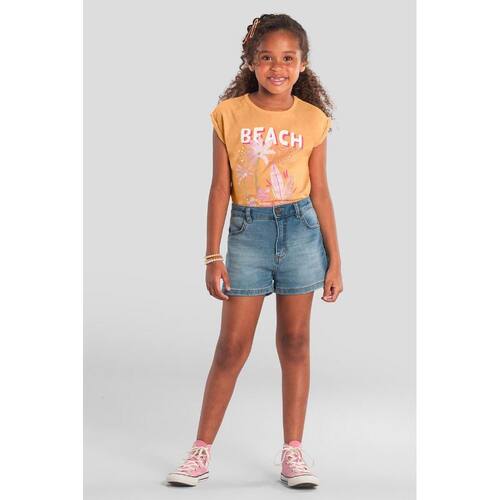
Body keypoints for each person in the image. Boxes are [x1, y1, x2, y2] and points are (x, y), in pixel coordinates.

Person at [167, 13, 343, 489]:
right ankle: (200, 452)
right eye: (266, 57)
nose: (277, 67)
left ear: (303, 64)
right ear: (250, 61)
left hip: (301, 233)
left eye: (288, 58)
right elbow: (219, 188)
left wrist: (335, 260)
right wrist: (212, 255)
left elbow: (321, 191)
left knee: (295, 342)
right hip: (249, 233)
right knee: (232, 346)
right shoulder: (229, 114)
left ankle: (293, 452)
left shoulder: (314, 120)